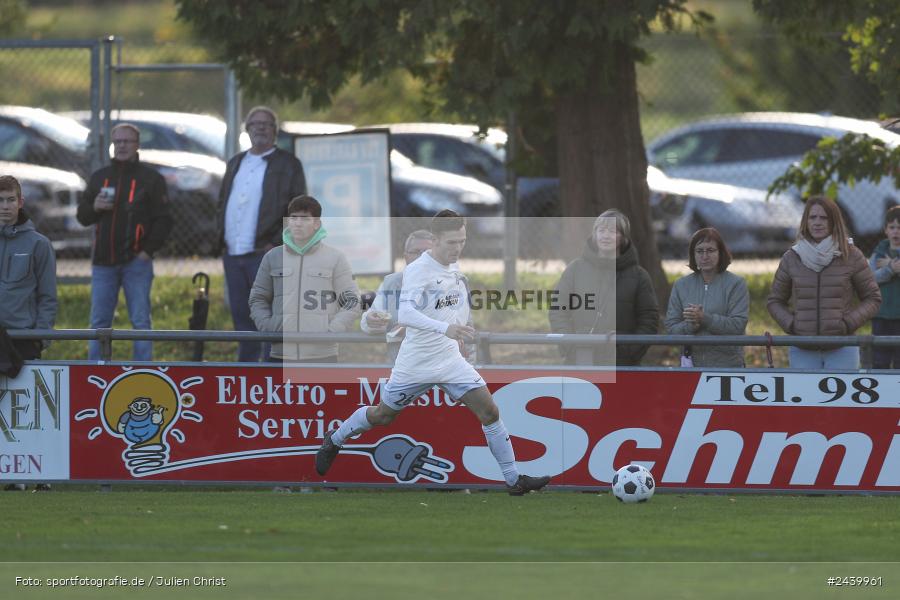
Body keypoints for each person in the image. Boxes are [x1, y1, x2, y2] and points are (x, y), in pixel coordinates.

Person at [316, 210, 551, 495]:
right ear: (436, 241)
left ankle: (514, 480)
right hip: (416, 363)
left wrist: (459, 330)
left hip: (450, 361)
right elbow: (406, 313)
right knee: (382, 416)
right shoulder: (418, 270)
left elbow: (452, 303)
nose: (458, 248)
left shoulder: (453, 266)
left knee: (489, 411)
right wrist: (445, 329)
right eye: (452, 242)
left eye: (462, 241)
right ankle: (336, 438)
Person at [217, 106, 306, 362]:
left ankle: (272, 374)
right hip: (234, 254)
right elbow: (223, 202)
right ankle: (246, 373)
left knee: (270, 318)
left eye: (266, 124)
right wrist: (221, 239)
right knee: (241, 318)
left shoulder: (288, 164)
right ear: (247, 129)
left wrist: (275, 243)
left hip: (266, 254)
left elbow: (298, 211)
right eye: (255, 124)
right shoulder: (236, 162)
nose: (260, 128)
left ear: (275, 131)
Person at [77, 123, 172, 361]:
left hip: (136, 262)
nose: (121, 146)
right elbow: (82, 216)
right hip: (103, 262)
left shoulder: (151, 179)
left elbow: (164, 220)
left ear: (137, 145)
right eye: (117, 141)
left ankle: (143, 370)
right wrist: (95, 207)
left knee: (140, 321)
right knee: (99, 322)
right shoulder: (101, 177)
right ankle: (96, 371)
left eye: (126, 141)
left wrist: (146, 252)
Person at [768, 196, 881, 369]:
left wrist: (847, 324)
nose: (817, 222)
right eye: (812, 217)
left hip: (842, 348)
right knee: (804, 396)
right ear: (806, 221)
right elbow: (775, 301)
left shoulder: (851, 255)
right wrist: (792, 324)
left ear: (834, 221)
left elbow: (872, 298)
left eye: (824, 218)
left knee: (842, 397)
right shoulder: (792, 257)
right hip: (802, 348)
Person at [249, 195, 360, 362]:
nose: (298, 223)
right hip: (280, 355)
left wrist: (332, 331)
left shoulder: (335, 257)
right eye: (293, 218)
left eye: (305, 218)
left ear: (317, 224)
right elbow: (258, 299)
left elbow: (352, 301)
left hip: (323, 355)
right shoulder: (272, 257)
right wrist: (268, 328)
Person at [0, 175, 58, 493]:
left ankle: (39, 472)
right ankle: (10, 474)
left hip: (22, 339)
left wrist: (42, 336)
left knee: (31, 409)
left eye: (10, 200)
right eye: (0, 200)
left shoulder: (39, 244)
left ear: (20, 202)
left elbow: (48, 297)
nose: (4, 207)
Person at [549, 209, 659, 366]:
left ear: (623, 238)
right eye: (601, 230)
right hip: (579, 358)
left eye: (613, 231)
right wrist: (570, 345)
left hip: (622, 364)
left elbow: (649, 319)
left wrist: (628, 352)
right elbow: (558, 309)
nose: (605, 236)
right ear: (594, 234)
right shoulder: (575, 269)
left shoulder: (639, 276)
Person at [664, 228, 749, 368]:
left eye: (710, 250)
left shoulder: (736, 284)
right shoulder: (681, 285)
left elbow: (738, 325)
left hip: (728, 366)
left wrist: (705, 318)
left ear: (720, 253)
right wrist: (690, 326)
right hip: (691, 366)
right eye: (699, 251)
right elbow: (671, 328)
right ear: (693, 254)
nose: (705, 256)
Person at [360, 230, 435, 364]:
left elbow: (462, 326)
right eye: (416, 252)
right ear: (406, 256)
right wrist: (371, 321)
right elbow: (369, 321)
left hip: (441, 369)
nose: (422, 257)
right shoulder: (391, 282)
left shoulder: (452, 282)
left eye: (427, 252)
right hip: (401, 368)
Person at [868, 206, 900, 369]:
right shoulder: (880, 251)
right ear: (885, 230)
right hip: (881, 316)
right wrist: (890, 269)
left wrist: (892, 266)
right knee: (880, 361)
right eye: (892, 227)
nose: (896, 232)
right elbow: (870, 278)